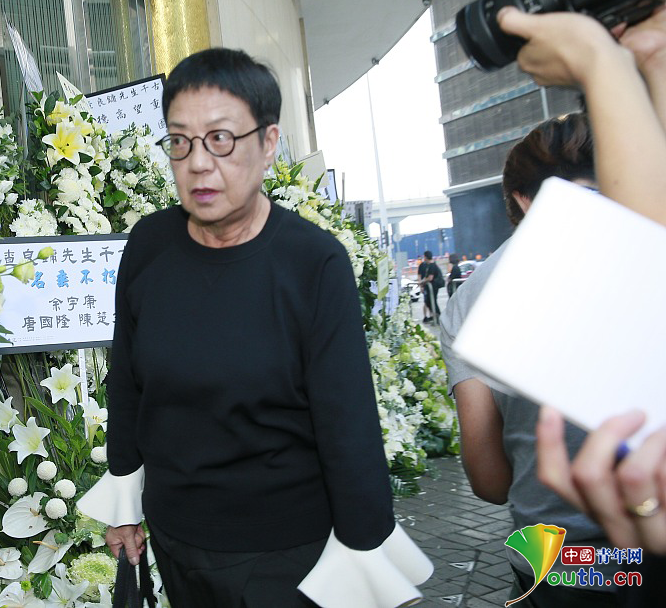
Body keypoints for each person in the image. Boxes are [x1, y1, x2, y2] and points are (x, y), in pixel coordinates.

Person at [77, 47, 431, 608]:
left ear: (268, 143)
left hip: (286, 550)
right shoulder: (149, 246)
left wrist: (367, 556)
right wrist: (124, 506)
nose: (198, 163)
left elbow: (349, 426)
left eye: (220, 139)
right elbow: (127, 383)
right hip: (176, 535)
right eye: (180, 142)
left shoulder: (313, 263)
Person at [489, 0, 666, 607]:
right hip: (626, 542)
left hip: (556, 548)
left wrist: (605, 64)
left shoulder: (486, 289)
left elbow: (485, 476)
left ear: (520, 198)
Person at [439, 114, 619, 607]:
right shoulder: (648, 247)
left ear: (521, 199)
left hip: (559, 563)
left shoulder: (472, 299)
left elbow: (491, 482)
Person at [418, 250, 442, 323]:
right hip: (432, 287)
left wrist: (422, 282)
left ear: (426, 257)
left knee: (431, 301)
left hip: (433, 286)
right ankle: (436, 317)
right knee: (430, 301)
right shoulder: (431, 265)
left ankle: (438, 316)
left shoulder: (432, 266)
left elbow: (430, 277)